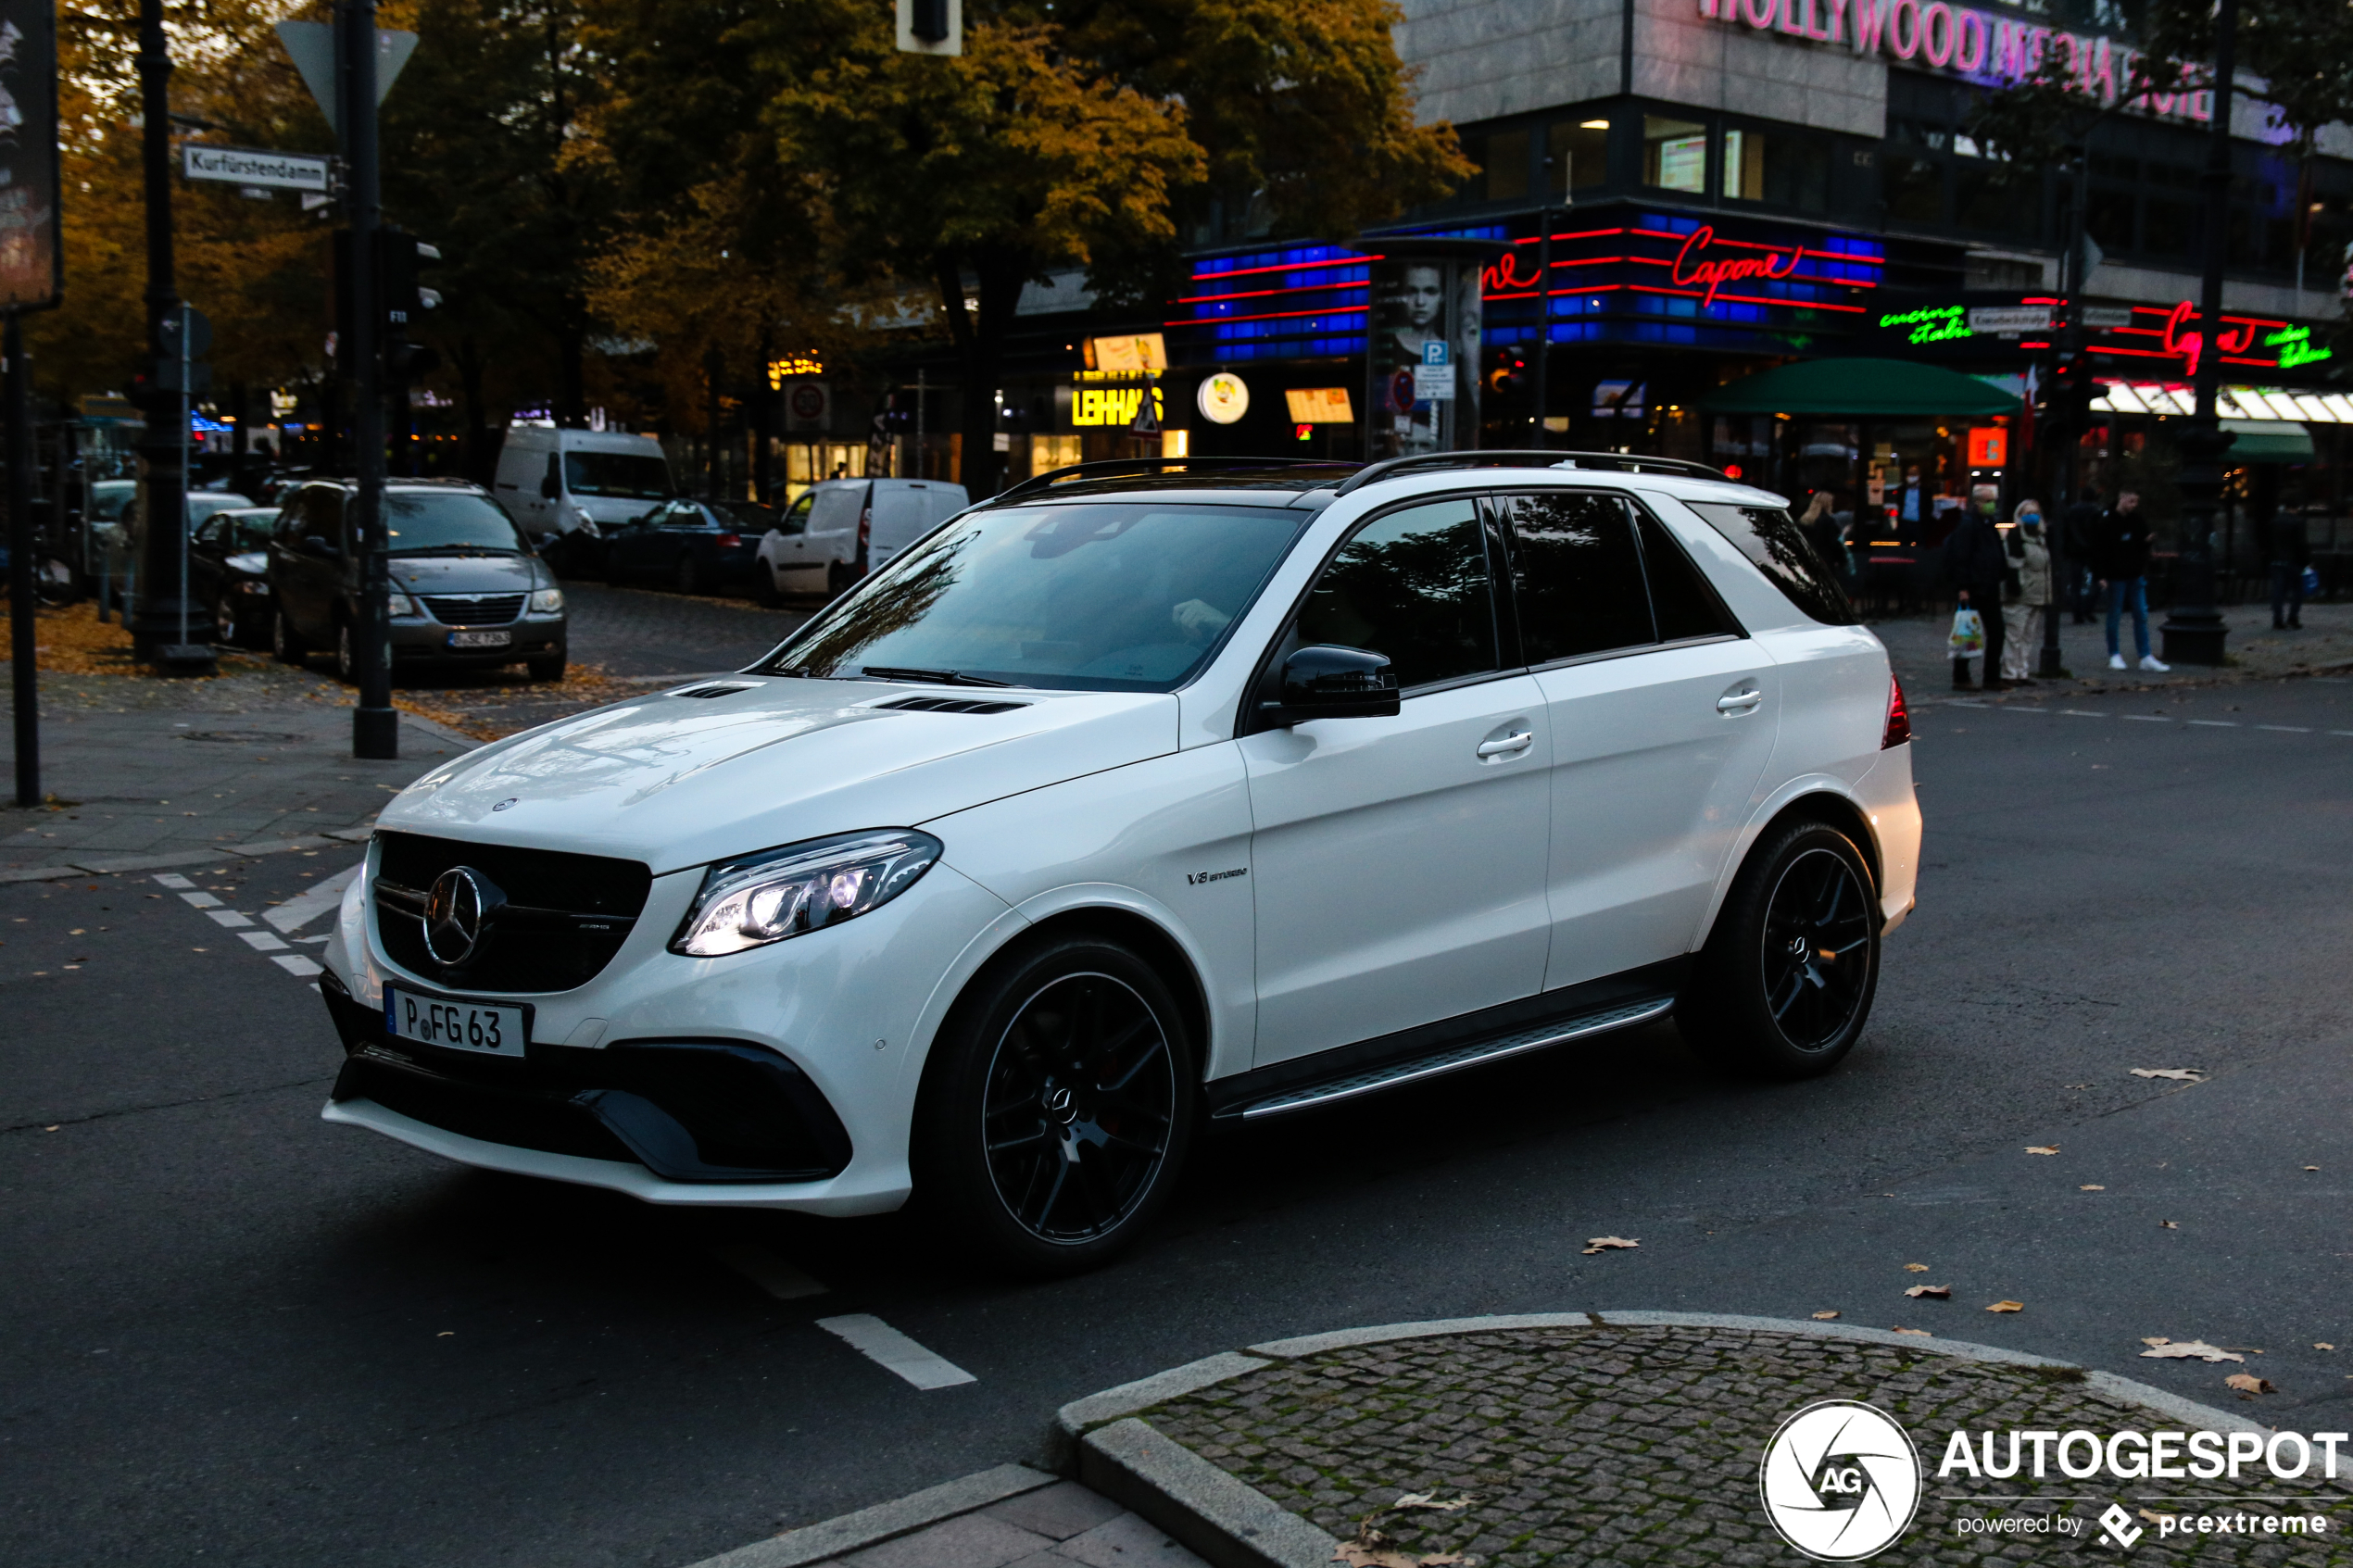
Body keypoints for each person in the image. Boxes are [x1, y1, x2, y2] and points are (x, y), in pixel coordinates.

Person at [2089, 489, 2169, 672]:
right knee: (2119, 614)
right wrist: (2100, 575)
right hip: (2117, 574)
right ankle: (2119, 654)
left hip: (2132, 573)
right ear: (2122, 498)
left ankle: (2140, 655)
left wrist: (2145, 542)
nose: (2134, 505)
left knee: (2138, 613)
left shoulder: (2133, 520)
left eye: (2135, 502)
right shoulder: (2107, 522)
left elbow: (2138, 543)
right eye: (2131, 501)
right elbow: (2099, 550)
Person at [1941, 500, 2008, 690]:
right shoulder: (1969, 525)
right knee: (1968, 632)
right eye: (1987, 501)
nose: (1991, 505)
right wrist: (1962, 587)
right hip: (1974, 587)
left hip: (1986, 586)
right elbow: (1960, 557)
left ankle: (1990, 677)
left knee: (1993, 632)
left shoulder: (1986, 525)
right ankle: (1963, 677)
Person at [2000, 500, 2052, 686]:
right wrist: (2014, 590)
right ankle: (2009, 672)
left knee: (2027, 637)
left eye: (2035, 512)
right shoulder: (2016, 537)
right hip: (2021, 594)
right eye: (2028, 512)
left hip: (2036, 594)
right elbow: (2013, 567)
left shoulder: (2040, 537)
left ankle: (2021, 671)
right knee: (2015, 635)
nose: (2033, 516)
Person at [2060, 484, 2103, 623]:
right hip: (2093, 551)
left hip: (2076, 551)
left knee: (2076, 584)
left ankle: (2077, 613)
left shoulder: (2072, 511)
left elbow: (2066, 532)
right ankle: (2088, 609)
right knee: (2098, 581)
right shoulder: (2097, 511)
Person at [2267, 506, 2309, 630]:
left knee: (2278, 590)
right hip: (2293, 561)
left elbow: (2267, 542)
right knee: (2297, 590)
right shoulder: (2298, 522)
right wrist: (2306, 561)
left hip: (2276, 560)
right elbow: (2301, 544)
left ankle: (2277, 619)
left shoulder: (2273, 522)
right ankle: (2293, 617)